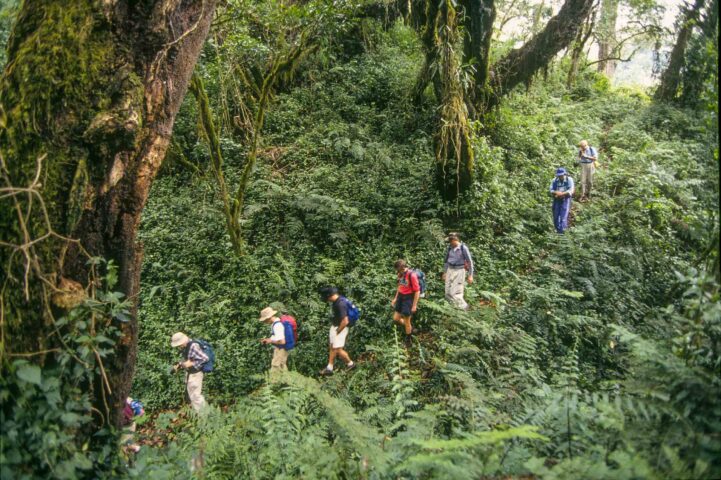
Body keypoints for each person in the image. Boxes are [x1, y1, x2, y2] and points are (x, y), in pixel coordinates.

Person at [318, 287, 356, 376]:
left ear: (329, 296)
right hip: (336, 326)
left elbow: (345, 321)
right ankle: (329, 368)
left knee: (337, 349)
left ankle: (351, 364)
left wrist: (338, 331)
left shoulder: (340, 304)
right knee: (332, 346)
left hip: (340, 328)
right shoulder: (339, 300)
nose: (327, 300)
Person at [170, 332, 209, 412]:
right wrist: (180, 365)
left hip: (196, 374)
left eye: (179, 344)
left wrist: (190, 363)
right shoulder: (187, 346)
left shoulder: (193, 346)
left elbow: (205, 358)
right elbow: (190, 359)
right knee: (192, 396)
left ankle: (205, 415)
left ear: (183, 341)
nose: (179, 347)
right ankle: (200, 415)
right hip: (191, 374)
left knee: (196, 396)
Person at [392, 260, 420, 347]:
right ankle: (411, 328)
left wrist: (414, 305)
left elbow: (417, 291)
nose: (397, 272)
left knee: (407, 321)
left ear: (403, 268)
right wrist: (395, 298)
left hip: (408, 298)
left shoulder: (412, 275)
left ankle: (408, 341)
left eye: (399, 270)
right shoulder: (400, 274)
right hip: (401, 296)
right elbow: (399, 286)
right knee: (396, 318)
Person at [442, 233, 474, 310]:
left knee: (456, 293)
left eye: (450, 241)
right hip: (450, 269)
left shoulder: (463, 248)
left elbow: (470, 262)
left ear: (454, 240)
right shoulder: (450, 248)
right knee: (447, 293)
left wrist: (470, 275)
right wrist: (445, 272)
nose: (449, 243)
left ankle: (464, 308)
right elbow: (446, 261)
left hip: (459, 270)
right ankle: (455, 309)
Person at [258, 307, 289, 372]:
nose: (264, 322)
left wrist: (271, 341)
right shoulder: (275, 324)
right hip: (280, 349)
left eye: (264, 320)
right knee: (282, 368)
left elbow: (282, 342)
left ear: (268, 318)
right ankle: (287, 381)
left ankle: (272, 382)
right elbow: (278, 337)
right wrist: (268, 340)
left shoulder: (277, 325)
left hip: (281, 349)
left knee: (275, 368)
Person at [550, 167, 575, 234]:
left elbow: (571, 190)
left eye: (562, 175)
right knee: (555, 216)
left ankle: (562, 233)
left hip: (566, 199)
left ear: (565, 174)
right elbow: (551, 190)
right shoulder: (554, 180)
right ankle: (557, 230)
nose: (560, 176)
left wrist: (562, 194)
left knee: (563, 217)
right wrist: (556, 193)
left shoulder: (569, 180)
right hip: (557, 199)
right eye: (559, 175)